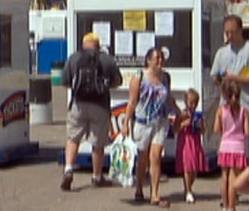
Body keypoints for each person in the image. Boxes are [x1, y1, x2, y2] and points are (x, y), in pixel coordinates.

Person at [60, 32, 122, 191]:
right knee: (97, 143)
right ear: (98, 45)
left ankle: (68, 169)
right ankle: (97, 176)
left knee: (73, 138)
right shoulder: (107, 59)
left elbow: (64, 81)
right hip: (100, 105)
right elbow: (117, 82)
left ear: (83, 43)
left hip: (78, 104)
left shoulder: (74, 58)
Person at [121, 47, 178, 207]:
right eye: (156, 58)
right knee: (142, 158)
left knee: (156, 157)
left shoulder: (166, 77)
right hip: (142, 122)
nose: (160, 61)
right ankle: (139, 188)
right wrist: (125, 123)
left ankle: (155, 194)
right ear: (148, 60)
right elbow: (132, 102)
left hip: (160, 121)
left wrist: (178, 112)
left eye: (162, 58)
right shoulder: (139, 77)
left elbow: (168, 98)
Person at [211, 15, 249, 164]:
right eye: (227, 32)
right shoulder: (221, 52)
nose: (229, 36)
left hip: (247, 106)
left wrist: (235, 78)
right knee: (228, 154)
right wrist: (219, 79)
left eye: (233, 32)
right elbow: (214, 76)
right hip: (228, 110)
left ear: (241, 30)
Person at [214, 81, 249, 211]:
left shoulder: (221, 111)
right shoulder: (244, 112)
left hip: (225, 145)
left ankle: (225, 204)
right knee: (234, 177)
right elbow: (247, 131)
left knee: (224, 177)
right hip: (238, 146)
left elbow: (216, 129)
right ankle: (232, 206)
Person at [175, 88, 208, 204]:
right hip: (185, 142)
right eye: (191, 102)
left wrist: (200, 125)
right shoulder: (182, 114)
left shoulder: (198, 115)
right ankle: (188, 191)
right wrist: (184, 123)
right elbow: (175, 129)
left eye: (195, 103)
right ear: (185, 101)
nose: (193, 105)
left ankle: (188, 187)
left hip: (195, 142)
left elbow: (204, 130)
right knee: (187, 168)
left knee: (195, 170)